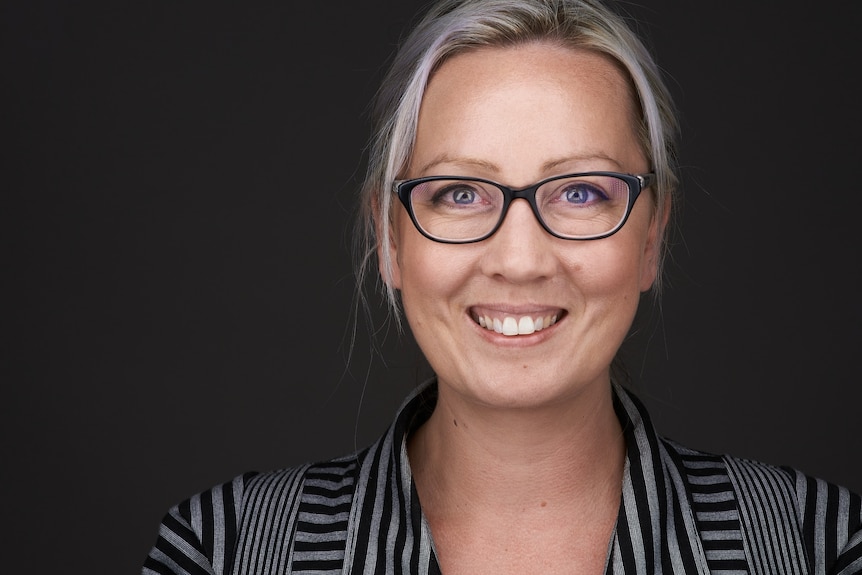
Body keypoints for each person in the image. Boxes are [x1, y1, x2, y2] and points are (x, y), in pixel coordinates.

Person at [142, 0, 862, 573]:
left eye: (581, 192)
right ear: (391, 238)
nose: (520, 260)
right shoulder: (223, 551)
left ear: (651, 237)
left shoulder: (813, 545)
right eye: (461, 193)